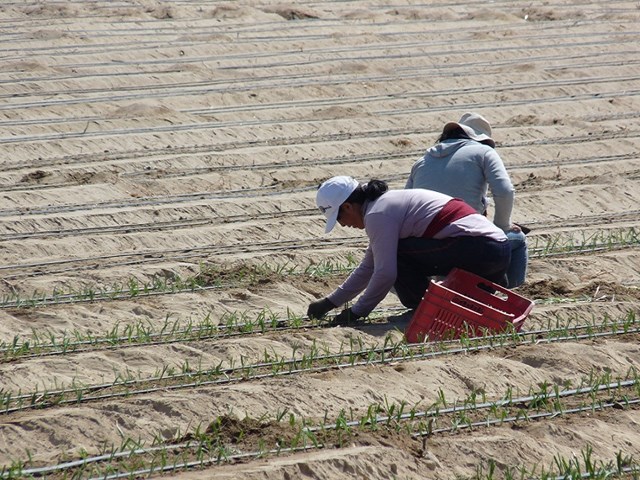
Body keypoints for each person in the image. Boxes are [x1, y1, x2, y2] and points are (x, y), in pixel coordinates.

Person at [306, 176, 511, 324]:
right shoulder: (383, 206)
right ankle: (436, 302)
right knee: (395, 253)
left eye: (339, 218)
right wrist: (330, 303)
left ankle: (423, 305)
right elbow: (369, 266)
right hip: (497, 250)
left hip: (479, 248)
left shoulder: (378, 214)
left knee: (397, 254)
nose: (342, 225)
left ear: (348, 206)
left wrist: (357, 313)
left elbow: (385, 273)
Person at [405, 112, 528, 288]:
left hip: (427, 247)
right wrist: (503, 226)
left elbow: (407, 203)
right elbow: (505, 191)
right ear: (482, 139)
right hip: (467, 242)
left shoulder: (421, 161)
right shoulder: (484, 152)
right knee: (518, 239)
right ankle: (514, 292)